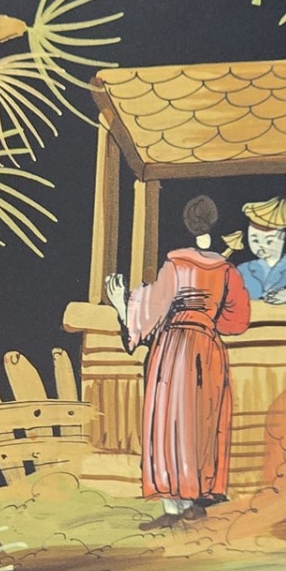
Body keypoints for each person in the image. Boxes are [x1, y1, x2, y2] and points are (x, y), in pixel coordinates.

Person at [105, 194, 251, 529]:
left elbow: (153, 308)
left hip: (174, 348)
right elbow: (237, 319)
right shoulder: (226, 270)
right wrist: (207, 320)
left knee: (170, 419)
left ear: (186, 224)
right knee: (202, 419)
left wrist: (123, 305)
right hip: (208, 347)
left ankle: (174, 504)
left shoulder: (175, 265)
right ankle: (196, 497)